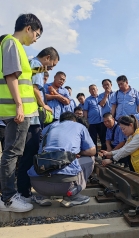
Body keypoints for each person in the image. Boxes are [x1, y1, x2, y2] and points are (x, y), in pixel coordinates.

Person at [0, 13, 43, 212]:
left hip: (21, 110)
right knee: (12, 154)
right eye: (37, 34)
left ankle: (9, 195)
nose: (35, 39)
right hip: (17, 111)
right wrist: (19, 105)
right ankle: (8, 199)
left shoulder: (14, 46)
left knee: (12, 153)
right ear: (28, 28)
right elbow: (11, 76)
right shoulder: (11, 43)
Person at [17, 47, 60, 202]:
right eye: (52, 64)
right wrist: (43, 105)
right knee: (29, 156)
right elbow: (35, 89)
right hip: (32, 118)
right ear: (47, 58)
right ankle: (25, 193)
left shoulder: (29, 62)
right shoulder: (36, 65)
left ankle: (24, 190)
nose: (51, 68)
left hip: (28, 116)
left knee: (25, 155)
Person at [27, 112, 96, 207]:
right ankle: (72, 196)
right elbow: (92, 151)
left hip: (39, 185)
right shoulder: (79, 126)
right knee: (90, 158)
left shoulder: (48, 128)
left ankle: (43, 196)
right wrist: (77, 153)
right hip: (66, 186)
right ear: (74, 120)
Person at [84, 85, 106, 154]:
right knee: (93, 140)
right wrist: (86, 121)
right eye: (91, 89)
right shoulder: (87, 100)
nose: (93, 90)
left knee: (103, 139)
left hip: (102, 122)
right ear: (89, 91)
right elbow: (85, 111)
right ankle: (94, 154)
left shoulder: (101, 97)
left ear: (97, 89)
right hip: (92, 123)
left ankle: (104, 154)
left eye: (94, 89)